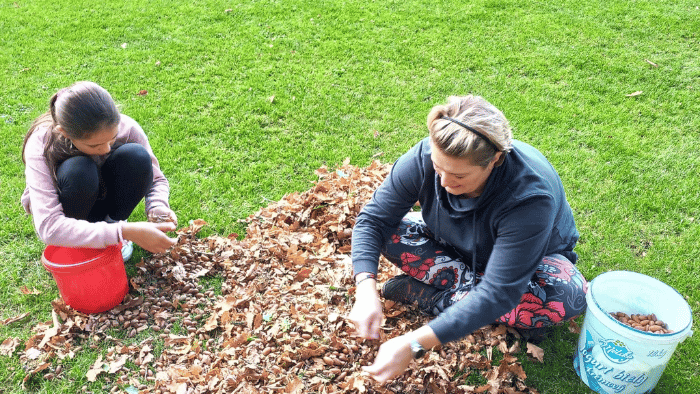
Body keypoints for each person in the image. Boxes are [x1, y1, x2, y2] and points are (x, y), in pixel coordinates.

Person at [349, 95, 588, 383]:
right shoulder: (426, 156)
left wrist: (415, 344)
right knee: (389, 232)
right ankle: (469, 302)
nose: (444, 183)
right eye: (438, 169)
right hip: (457, 244)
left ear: (495, 160)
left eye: (459, 176)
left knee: (567, 295)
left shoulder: (529, 198)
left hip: (528, 266)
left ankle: (439, 296)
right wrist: (365, 289)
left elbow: (501, 291)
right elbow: (374, 219)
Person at [21, 81, 177, 259]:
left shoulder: (127, 127)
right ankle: (79, 243)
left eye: (112, 139)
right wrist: (123, 232)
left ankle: (112, 222)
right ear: (64, 132)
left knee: (137, 156)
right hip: (72, 207)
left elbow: (156, 179)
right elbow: (49, 227)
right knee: (79, 170)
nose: (106, 150)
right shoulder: (41, 143)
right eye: (95, 145)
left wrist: (157, 206)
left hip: (107, 199)